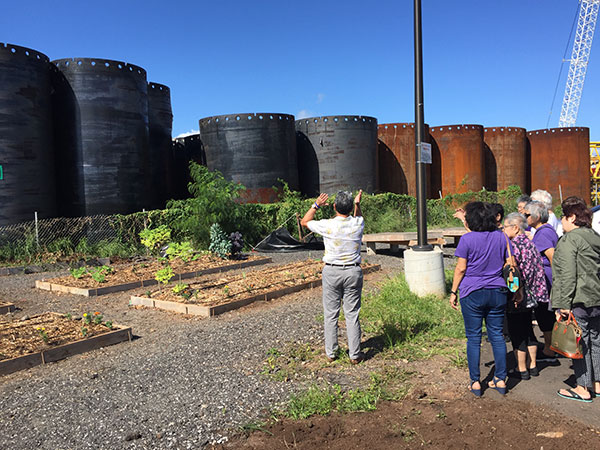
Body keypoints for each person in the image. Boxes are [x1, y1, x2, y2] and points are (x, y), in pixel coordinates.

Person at [450, 202, 512, 396]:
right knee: (497, 336)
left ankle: (475, 382)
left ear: (471, 220)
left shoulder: (467, 240)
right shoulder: (501, 236)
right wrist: (515, 289)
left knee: (474, 338)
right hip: (498, 291)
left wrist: (453, 292)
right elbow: (510, 263)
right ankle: (500, 380)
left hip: (472, 291)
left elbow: (461, 268)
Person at [300, 190, 365, 364]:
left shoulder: (327, 225)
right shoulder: (358, 223)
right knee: (352, 314)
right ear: (351, 208)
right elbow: (358, 217)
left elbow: (304, 222)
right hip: (353, 271)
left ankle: (331, 353)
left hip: (332, 271)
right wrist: (358, 204)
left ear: (334, 206)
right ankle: (355, 355)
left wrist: (316, 205)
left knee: (331, 314)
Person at [552, 196, 600, 402]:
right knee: (596, 343)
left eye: (563, 217)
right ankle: (597, 383)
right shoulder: (594, 236)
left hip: (577, 299)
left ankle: (582, 387)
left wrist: (562, 304)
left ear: (571, 218)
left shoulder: (569, 240)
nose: (561, 221)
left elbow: (567, 274)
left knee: (578, 343)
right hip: (596, 298)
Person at [503, 213, 549, 380]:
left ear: (515, 228)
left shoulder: (513, 247)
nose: (503, 230)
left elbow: (514, 273)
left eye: (504, 227)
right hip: (533, 295)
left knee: (517, 332)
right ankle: (533, 365)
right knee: (529, 330)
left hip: (519, 295)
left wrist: (516, 293)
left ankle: (521, 369)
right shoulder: (531, 244)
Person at [523, 200, 559, 360]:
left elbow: (552, 257)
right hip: (546, 278)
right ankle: (550, 346)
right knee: (545, 313)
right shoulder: (544, 231)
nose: (524, 217)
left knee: (545, 313)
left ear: (537, 216)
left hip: (546, 279)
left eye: (527, 215)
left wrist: (557, 281)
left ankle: (549, 349)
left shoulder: (543, 233)